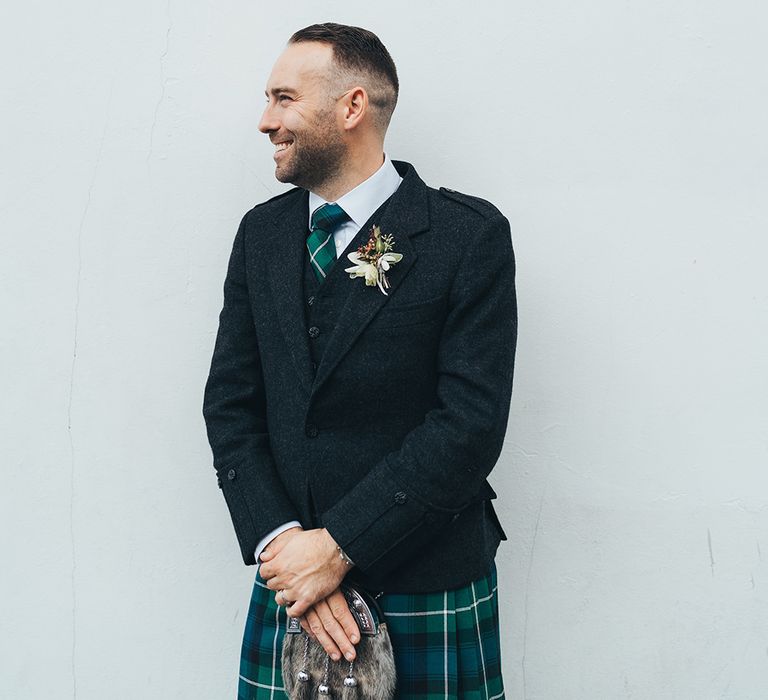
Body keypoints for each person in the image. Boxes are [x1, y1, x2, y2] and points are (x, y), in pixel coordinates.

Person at [203, 22, 517, 699]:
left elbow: (469, 424)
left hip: (422, 575)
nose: (265, 121)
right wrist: (288, 551)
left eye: (284, 98)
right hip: (291, 585)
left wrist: (336, 549)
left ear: (351, 107)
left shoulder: (466, 237)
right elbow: (230, 404)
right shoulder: (262, 234)